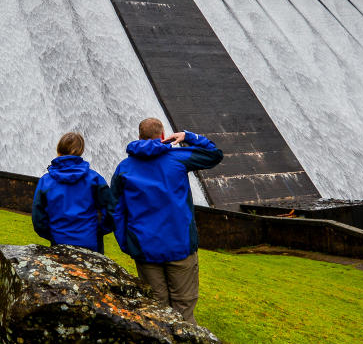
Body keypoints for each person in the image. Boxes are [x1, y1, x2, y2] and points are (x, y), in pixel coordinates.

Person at [111, 118, 223, 325]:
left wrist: (127, 243)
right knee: (184, 307)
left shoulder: (124, 168)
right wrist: (188, 137)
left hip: (145, 248)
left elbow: (116, 210)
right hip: (179, 245)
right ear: (163, 136)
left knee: (155, 308)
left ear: (139, 137)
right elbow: (215, 155)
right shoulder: (179, 158)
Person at [32, 132, 115, 253]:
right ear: (81, 151)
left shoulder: (46, 181)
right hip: (90, 242)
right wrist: (99, 231)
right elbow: (112, 210)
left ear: (58, 149)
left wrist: (52, 234)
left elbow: (38, 218)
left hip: (58, 242)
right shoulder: (95, 179)